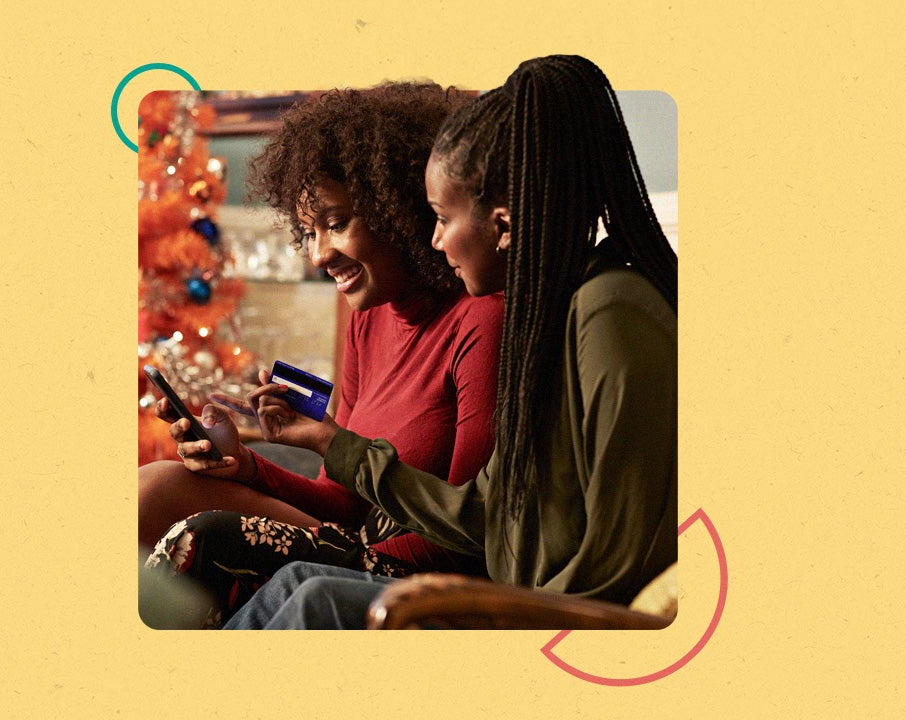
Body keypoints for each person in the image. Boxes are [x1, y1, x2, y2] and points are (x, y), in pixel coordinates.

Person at [222, 54, 678, 629]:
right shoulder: (555, 314)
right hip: (520, 601)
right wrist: (329, 444)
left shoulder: (610, 313)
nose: (433, 239)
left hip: (555, 620)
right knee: (299, 583)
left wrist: (498, 611)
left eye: (440, 216)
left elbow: (621, 563)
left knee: (315, 597)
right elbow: (484, 515)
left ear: (504, 225)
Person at [138, 83, 503, 628]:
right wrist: (246, 465)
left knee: (203, 535)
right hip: (351, 545)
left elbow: (471, 538)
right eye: (308, 231)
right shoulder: (366, 317)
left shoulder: (481, 320)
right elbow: (342, 501)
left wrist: (322, 548)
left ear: (397, 208)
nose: (318, 255)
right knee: (152, 488)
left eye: (335, 224)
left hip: (419, 571)